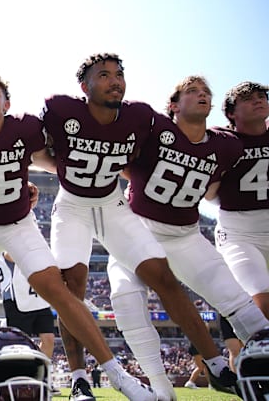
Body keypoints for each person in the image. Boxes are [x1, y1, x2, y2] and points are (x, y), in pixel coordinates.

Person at [0, 74, 155, 401]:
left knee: (61, 294)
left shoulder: (23, 129)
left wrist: (95, 174)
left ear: (6, 103)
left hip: (19, 225)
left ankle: (118, 376)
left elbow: (57, 164)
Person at [41, 53, 239, 400]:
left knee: (161, 275)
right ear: (84, 85)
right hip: (72, 205)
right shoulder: (60, 109)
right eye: (104, 75)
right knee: (72, 292)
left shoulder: (140, 116)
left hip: (112, 203)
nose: (115, 80)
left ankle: (216, 362)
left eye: (119, 74)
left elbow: (145, 159)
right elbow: (37, 150)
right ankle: (79, 378)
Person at [107, 75, 269, 399]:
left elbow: (213, 191)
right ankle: (160, 388)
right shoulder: (154, 130)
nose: (202, 95)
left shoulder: (226, 144)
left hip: (185, 235)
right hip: (137, 229)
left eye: (206, 92)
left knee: (242, 306)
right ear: (173, 106)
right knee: (125, 300)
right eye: (192, 91)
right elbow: (120, 161)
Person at [214, 81, 269, 319]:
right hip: (240, 234)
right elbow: (208, 194)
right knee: (262, 301)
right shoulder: (222, 140)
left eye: (261, 96)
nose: (258, 100)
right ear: (231, 113)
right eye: (248, 98)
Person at [0, 252, 55, 359]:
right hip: (17, 299)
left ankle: (41, 371)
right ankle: (21, 372)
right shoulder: (8, 240)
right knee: (20, 344)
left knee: (49, 339)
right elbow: (10, 255)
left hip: (38, 297)